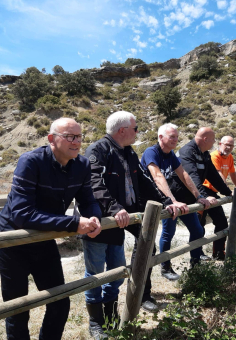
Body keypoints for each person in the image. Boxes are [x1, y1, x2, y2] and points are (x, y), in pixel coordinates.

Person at [0, 118, 102, 340]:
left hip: (44, 239)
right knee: (17, 309)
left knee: (59, 303)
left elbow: (88, 200)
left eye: (80, 136)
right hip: (13, 240)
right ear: (52, 139)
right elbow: (22, 215)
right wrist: (73, 224)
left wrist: (93, 217)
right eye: (70, 136)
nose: (77, 142)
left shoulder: (81, 165)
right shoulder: (31, 161)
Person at [83, 111, 178, 339]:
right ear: (122, 130)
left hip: (124, 217)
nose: (138, 133)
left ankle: (114, 314)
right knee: (95, 273)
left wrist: (167, 201)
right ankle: (96, 322)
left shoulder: (128, 152)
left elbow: (144, 181)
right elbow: (94, 182)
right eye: (135, 129)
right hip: (101, 221)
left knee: (117, 270)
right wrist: (115, 208)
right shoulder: (98, 150)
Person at [141, 123, 211, 281]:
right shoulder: (151, 152)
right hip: (156, 201)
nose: (175, 140)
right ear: (161, 137)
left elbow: (184, 174)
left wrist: (198, 195)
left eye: (177, 137)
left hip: (172, 199)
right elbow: (157, 176)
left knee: (197, 230)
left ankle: (196, 263)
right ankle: (165, 267)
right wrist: (172, 201)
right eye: (172, 136)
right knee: (168, 233)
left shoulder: (170, 154)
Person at [172, 127, 232, 261]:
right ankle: (178, 264)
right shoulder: (187, 152)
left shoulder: (205, 154)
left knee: (220, 222)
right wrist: (204, 196)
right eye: (213, 139)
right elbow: (192, 177)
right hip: (181, 197)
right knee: (174, 232)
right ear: (205, 139)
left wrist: (229, 193)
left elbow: (214, 176)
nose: (214, 142)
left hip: (199, 195)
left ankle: (217, 254)